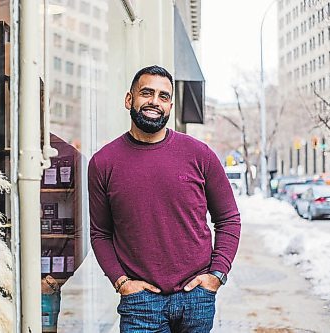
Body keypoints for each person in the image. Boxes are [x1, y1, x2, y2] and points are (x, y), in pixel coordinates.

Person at [88, 65, 241, 332]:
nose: (154, 102)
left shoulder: (199, 155)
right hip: (140, 304)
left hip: (196, 297)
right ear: (129, 99)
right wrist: (122, 282)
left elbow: (228, 219)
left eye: (163, 96)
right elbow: (100, 232)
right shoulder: (103, 163)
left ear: (170, 105)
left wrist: (217, 274)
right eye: (146, 93)